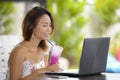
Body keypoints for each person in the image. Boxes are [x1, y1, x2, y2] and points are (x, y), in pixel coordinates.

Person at [6, 6, 63, 80]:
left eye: (50, 25)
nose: (49, 29)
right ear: (32, 27)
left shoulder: (44, 50)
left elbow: (44, 77)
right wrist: (39, 71)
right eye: (45, 25)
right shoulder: (19, 52)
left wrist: (51, 70)